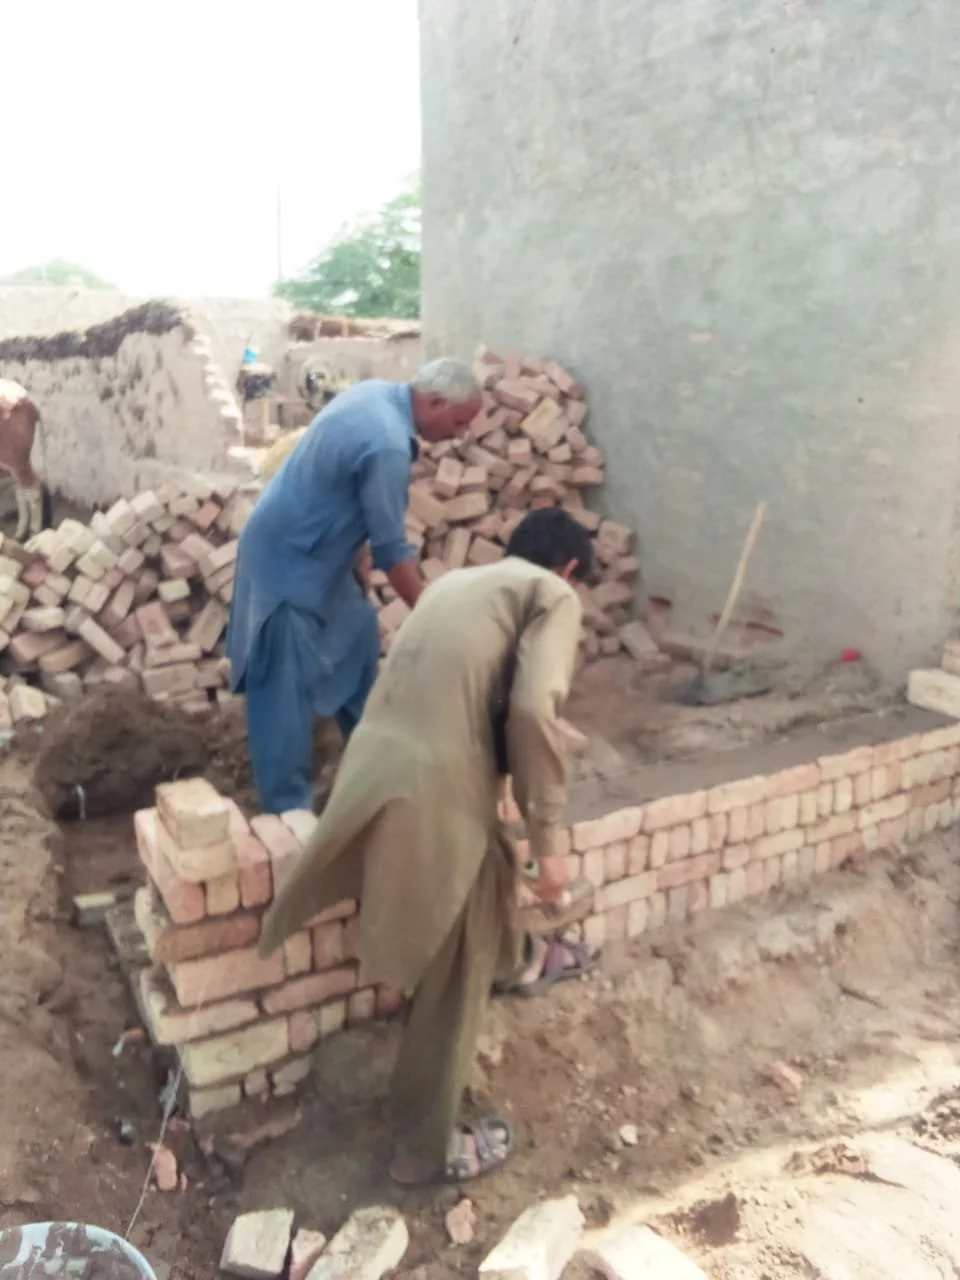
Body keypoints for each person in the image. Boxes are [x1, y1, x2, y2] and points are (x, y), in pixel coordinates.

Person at [258, 508, 599, 1186]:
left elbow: (476, 698)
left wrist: (543, 749)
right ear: (568, 569)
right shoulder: (553, 596)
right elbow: (531, 710)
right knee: (459, 955)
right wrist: (549, 840)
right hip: (434, 788)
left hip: (374, 769)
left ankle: (525, 960)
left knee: (491, 859)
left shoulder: (455, 585)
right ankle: (425, 1147)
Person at [225, 359, 482, 814]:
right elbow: (393, 550)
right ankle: (289, 819)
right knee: (284, 690)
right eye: (459, 421)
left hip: (327, 556)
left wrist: (356, 562)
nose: (460, 433)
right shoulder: (386, 443)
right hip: (288, 561)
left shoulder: (377, 395)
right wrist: (434, 618)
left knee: (357, 636)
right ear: (435, 401)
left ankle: (381, 769)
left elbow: (346, 492)